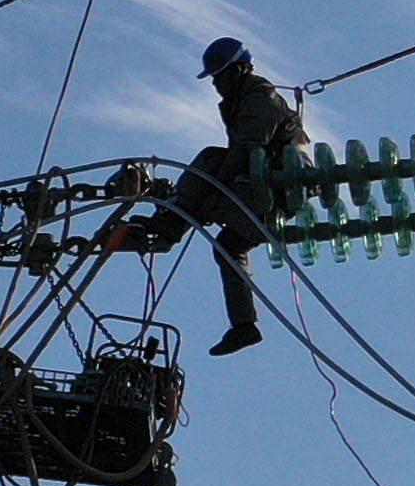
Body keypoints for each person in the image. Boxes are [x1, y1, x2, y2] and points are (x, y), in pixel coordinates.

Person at [101, 35, 303, 355]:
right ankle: (244, 326)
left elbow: (246, 148)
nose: (215, 85)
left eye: (219, 76)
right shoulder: (239, 100)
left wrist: (214, 187)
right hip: (258, 190)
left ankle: (167, 226)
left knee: (209, 161)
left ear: (237, 70)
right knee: (227, 246)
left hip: (273, 190)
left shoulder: (260, 98)